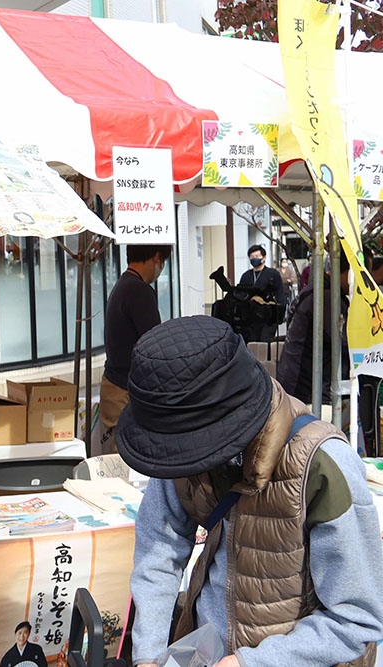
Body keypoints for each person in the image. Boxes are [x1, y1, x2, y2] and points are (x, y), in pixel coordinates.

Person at [116, 316, 383, 667]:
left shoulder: (323, 465)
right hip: (204, 650)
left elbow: (359, 618)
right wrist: (148, 653)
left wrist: (252, 662)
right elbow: (159, 549)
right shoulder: (179, 442)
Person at [100, 244, 171, 455]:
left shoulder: (123, 285)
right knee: (130, 461)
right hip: (126, 391)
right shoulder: (139, 290)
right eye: (163, 262)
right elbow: (155, 343)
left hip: (115, 386)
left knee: (121, 456)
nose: (161, 269)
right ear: (156, 257)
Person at [277, 253, 350, 406]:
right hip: (306, 385)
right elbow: (343, 341)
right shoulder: (328, 298)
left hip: (299, 379)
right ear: (349, 273)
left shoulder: (319, 290)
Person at [236, 245, 285, 342]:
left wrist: (280, 314)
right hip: (250, 317)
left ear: (264, 258)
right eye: (252, 257)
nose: (254, 259)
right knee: (251, 341)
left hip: (269, 316)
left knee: (265, 341)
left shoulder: (273, 274)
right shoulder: (246, 276)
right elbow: (241, 294)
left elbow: (280, 293)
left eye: (257, 256)